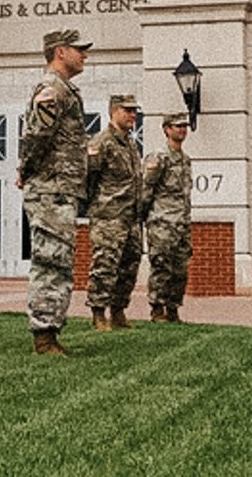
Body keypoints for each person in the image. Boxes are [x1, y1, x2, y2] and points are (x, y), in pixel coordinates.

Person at [17, 28, 90, 356]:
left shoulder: (65, 90)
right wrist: (26, 170)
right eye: (79, 49)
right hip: (50, 189)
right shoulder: (51, 89)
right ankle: (44, 336)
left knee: (58, 260)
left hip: (61, 189)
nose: (84, 55)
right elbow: (36, 136)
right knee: (50, 260)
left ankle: (50, 331)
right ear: (60, 51)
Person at [85, 93, 144, 331]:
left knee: (130, 264)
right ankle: (98, 313)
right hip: (108, 216)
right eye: (127, 111)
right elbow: (89, 179)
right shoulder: (101, 142)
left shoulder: (129, 143)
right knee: (105, 265)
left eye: (134, 111)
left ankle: (118, 310)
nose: (132, 115)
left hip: (130, 216)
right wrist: (98, 207)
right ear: (113, 111)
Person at [142, 112, 194, 323]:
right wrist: (146, 217)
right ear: (166, 130)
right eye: (177, 126)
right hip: (162, 223)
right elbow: (146, 189)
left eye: (184, 126)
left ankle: (173, 308)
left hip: (181, 223)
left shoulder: (185, 160)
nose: (182, 130)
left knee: (180, 269)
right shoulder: (158, 157)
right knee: (161, 266)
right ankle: (157, 309)